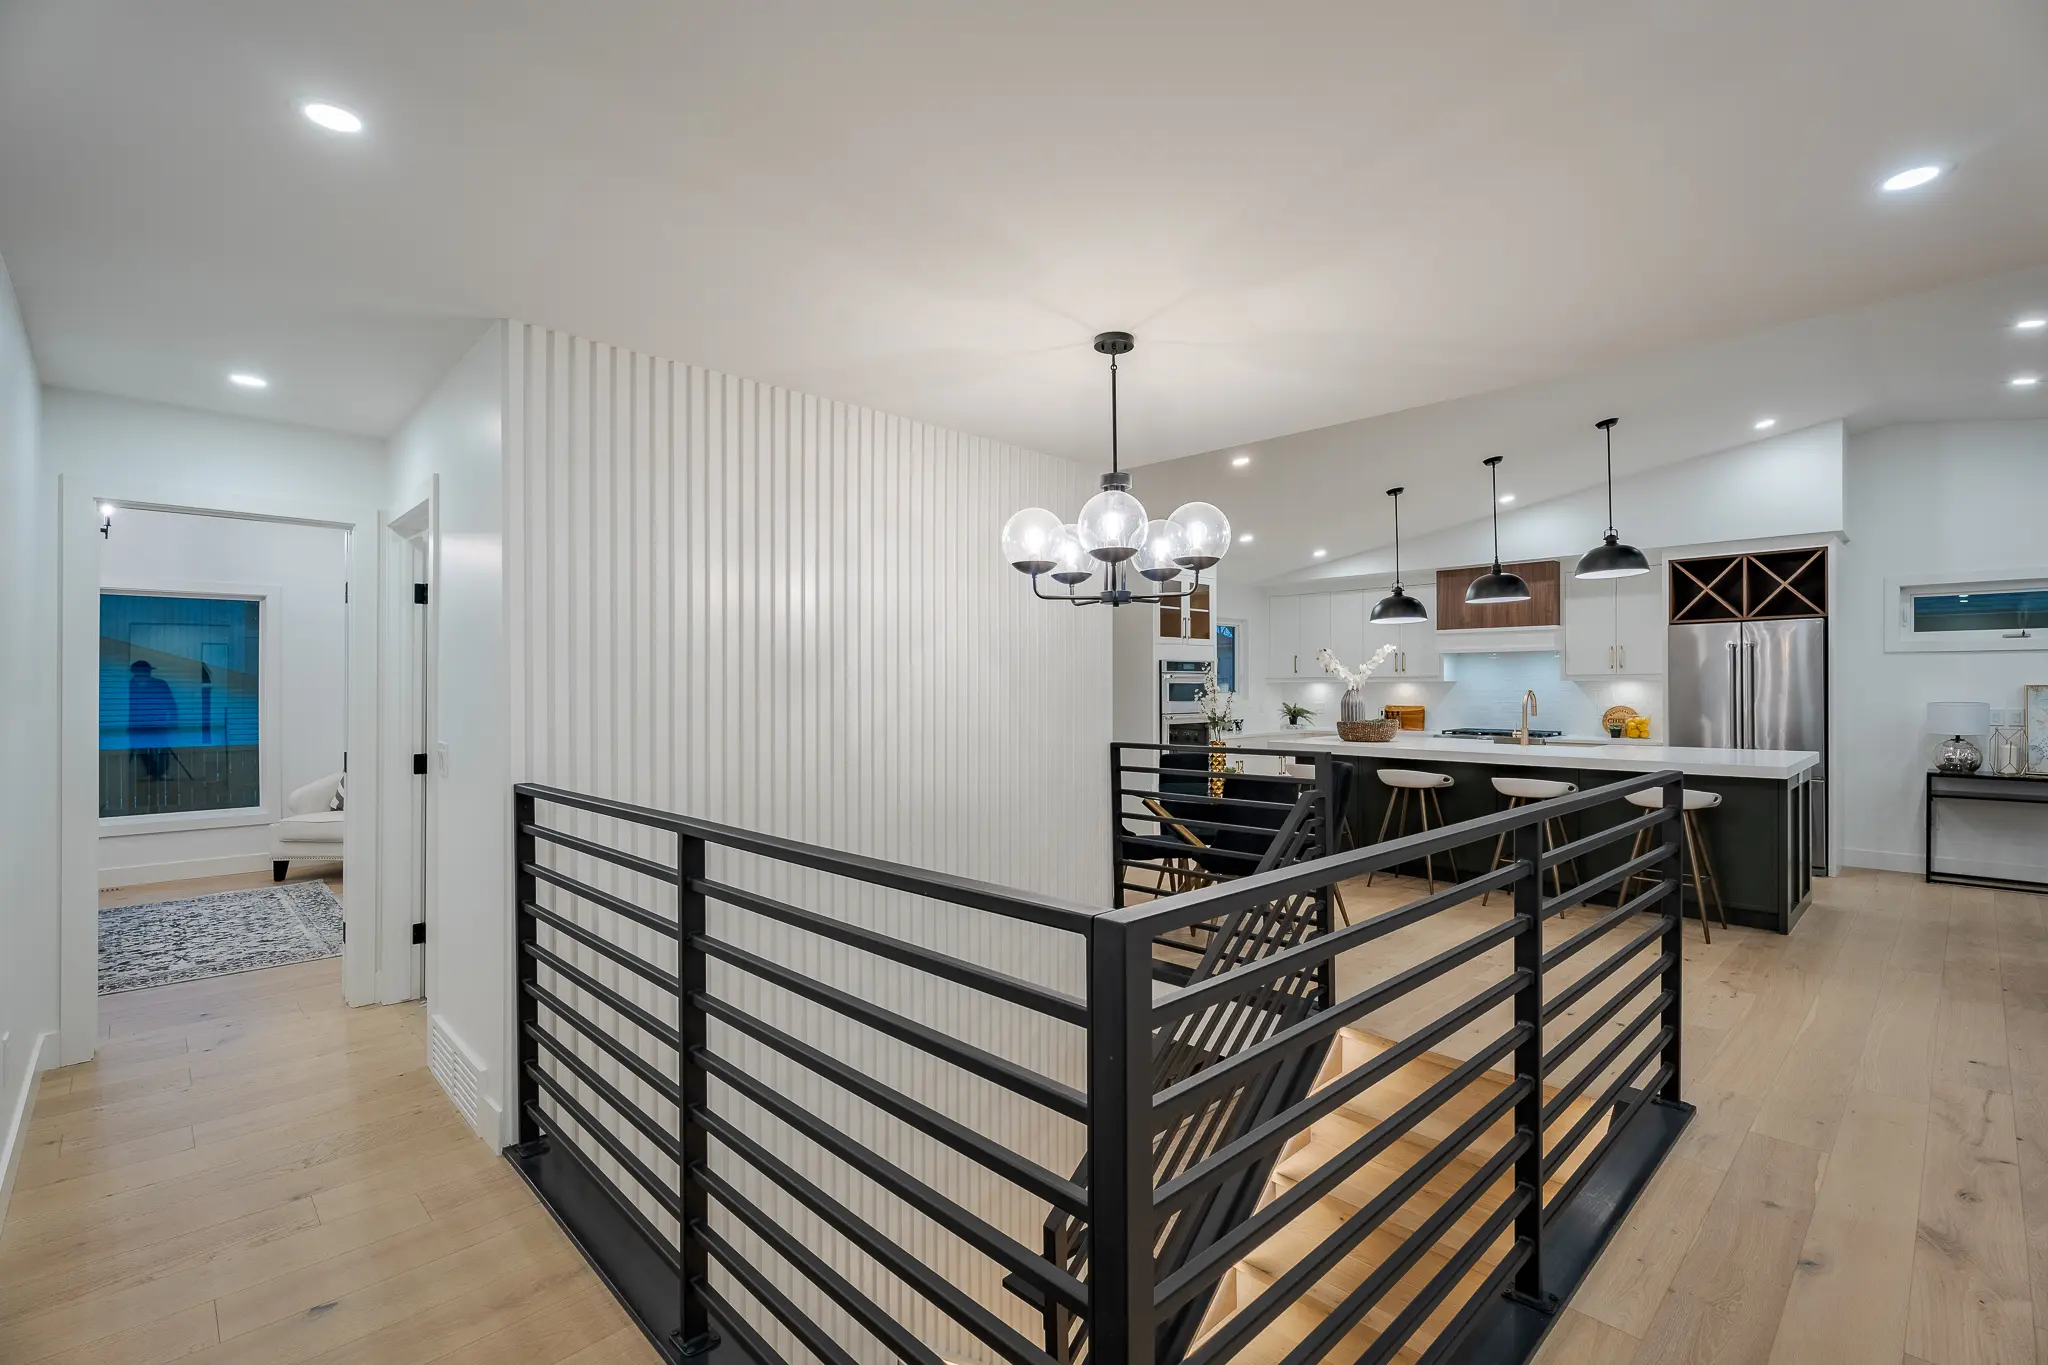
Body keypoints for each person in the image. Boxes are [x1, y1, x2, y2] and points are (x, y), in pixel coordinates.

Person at [128, 659, 177, 780]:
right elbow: (129, 705)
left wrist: (174, 720)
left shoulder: (160, 684)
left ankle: (161, 772)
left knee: (162, 746)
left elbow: (171, 703)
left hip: (158, 721)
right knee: (143, 747)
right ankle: (151, 772)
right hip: (138, 723)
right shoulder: (131, 685)